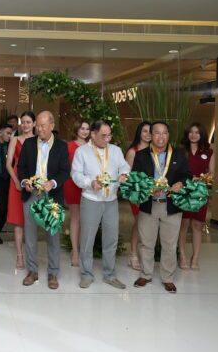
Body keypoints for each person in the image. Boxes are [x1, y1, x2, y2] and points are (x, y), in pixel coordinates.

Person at [132, 121, 190, 293]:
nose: (161, 136)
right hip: (149, 205)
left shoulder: (178, 154)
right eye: (157, 133)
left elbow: (187, 174)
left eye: (164, 133)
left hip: (171, 205)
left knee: (169, 244)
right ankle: (145, 275)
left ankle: (168, 278)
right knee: (147, 243)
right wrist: (147, 188)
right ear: (151, 135)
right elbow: (136, 178)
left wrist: (181, 182)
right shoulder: (142, 155)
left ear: (168, 135)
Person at [71, 121, 129, 289]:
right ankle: (86, 274)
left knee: (111, 238)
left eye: (109, 135)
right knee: (87, 239)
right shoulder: (82, 152)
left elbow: (124, 167)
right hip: (91, 200)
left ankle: (109, 275)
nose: (107, 139)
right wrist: (90, 183)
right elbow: (75, 174)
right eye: (103, 136)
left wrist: (124, 175)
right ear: (93, 134)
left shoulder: (116, 151)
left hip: (111, 201)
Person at [18, 111, 70, 290]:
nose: (39, 129)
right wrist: (25, 182)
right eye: (37, 125)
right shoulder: (29, 144)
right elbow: (21, 167)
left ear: (52, 126)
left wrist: (53, 183)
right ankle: (32, 271)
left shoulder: (61, 146)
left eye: (42, 125)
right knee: (30, 236)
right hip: (32, 194)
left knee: (53, 236)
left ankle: (53, 273)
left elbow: (65, 171)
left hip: (51, 197)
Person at [178, 122, 215, 269]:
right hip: (184, 191)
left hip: (200, 191)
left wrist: (201, 179)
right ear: (187, 134)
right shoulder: (180, 151)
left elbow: (211, 173)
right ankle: (182, 256)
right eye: (191, 132)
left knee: (197, 225)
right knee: (183, 224)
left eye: (197, 132)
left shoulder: (209, 151)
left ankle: (195, 258)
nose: (194, 135)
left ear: (202, 135)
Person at [5, 111, 35, 269]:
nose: (25, 125)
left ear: (34, 124)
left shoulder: (39, 140)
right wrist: (16, 181)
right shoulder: (15, 139)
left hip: (35, 181)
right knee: (18, 221)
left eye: (28, 122)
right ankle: (19, 256)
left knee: (33, 218)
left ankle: (31, 255)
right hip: (16, 180)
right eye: (23, 122)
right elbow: (8, 163)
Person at [124, 121, 152, 270]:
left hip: (152, 193)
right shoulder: (133, 151)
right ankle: (133, 254)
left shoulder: (155, 151)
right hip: (137, 193)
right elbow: (127, 175)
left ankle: (142, 254)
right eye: (144, 131)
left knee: (146, 224)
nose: (147, 134)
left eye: (150, 131)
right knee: (139, 222)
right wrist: (136, 192)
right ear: (139, 133)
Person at [63, 120, 90, 266]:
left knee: (86, 220)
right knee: (76, 218)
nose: (85, 131)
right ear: (76, 129)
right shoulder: (69, 146)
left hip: (89, 186)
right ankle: (75, 251)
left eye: (87, 129)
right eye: (82, 128)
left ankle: (83, 250)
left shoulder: (91, 147)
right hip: (72, 184)